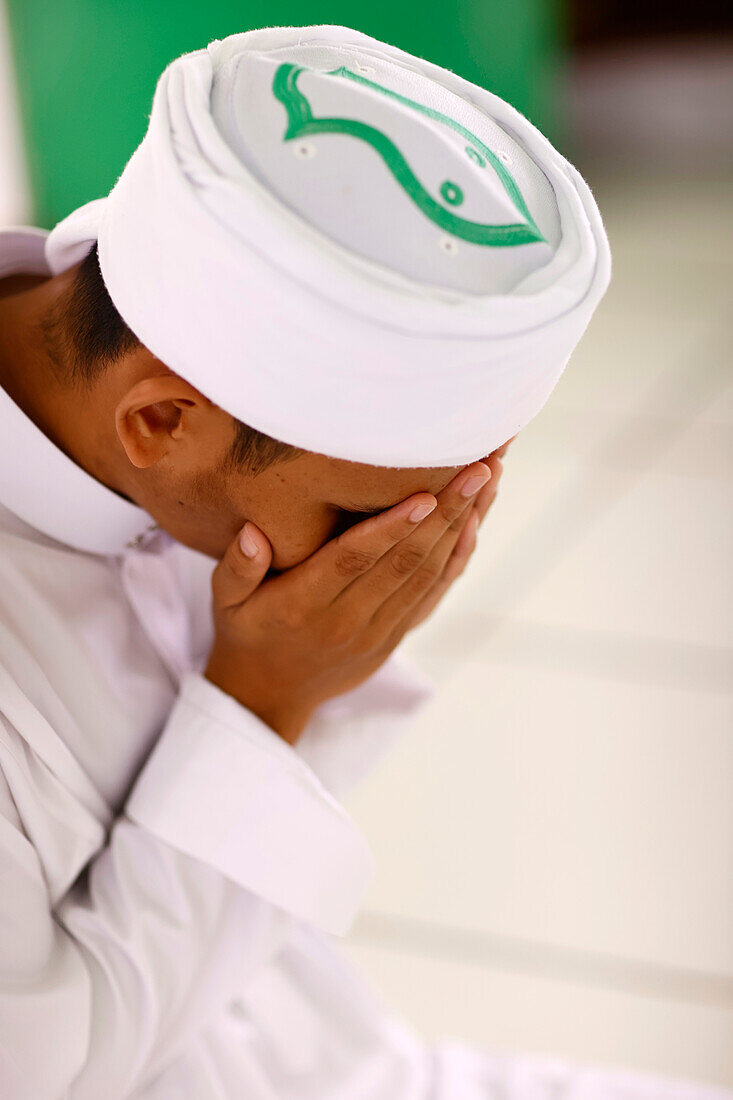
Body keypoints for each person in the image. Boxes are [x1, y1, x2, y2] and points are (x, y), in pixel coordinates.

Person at [0, 21, 721, 1100]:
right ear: (160, 422)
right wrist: (261, 700)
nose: (421, 548)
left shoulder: (155, 374)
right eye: (371, 512)